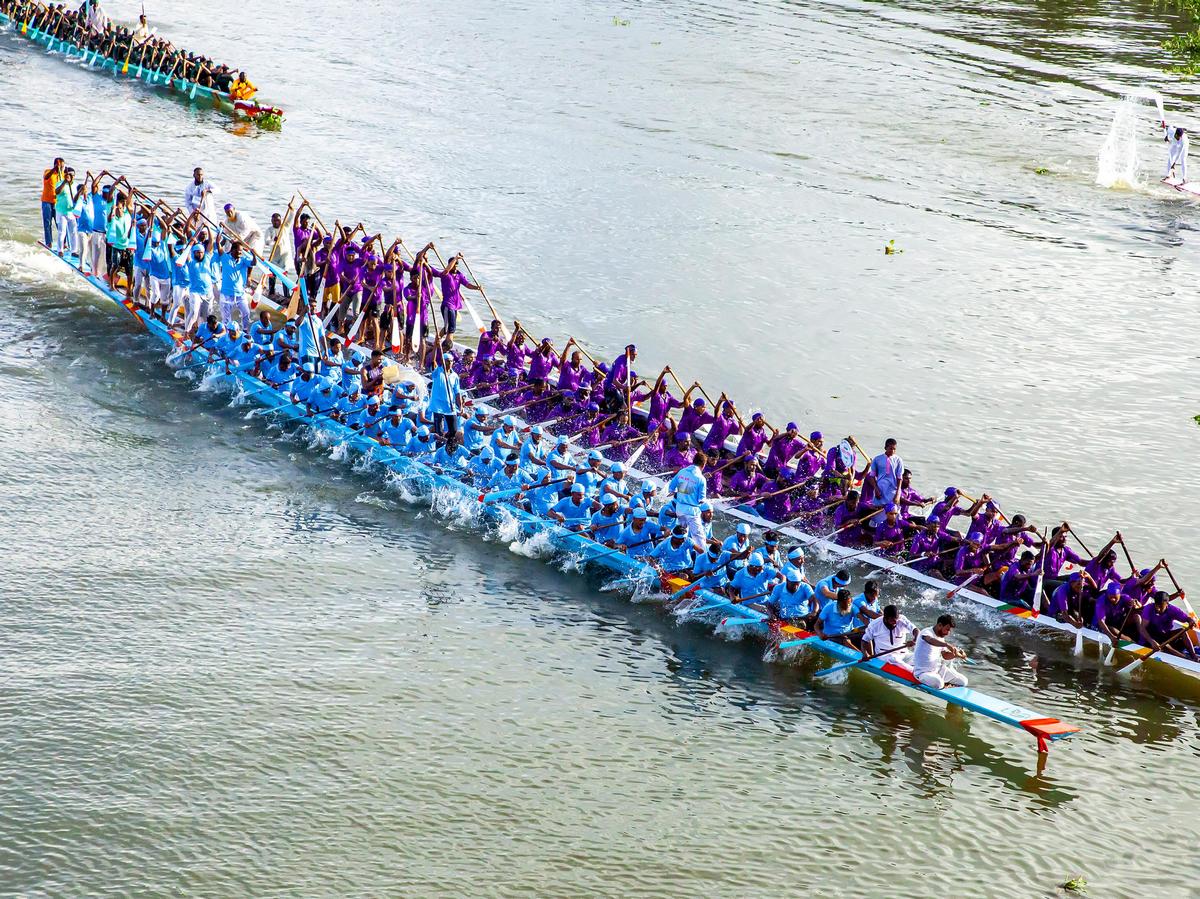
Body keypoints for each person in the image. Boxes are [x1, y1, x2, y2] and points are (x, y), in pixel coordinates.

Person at [911, 614, 968, 689]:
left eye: (949, 630)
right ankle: (942, 685)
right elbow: (930, 641)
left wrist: (956, 654)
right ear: (940, 625)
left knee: (963, 681)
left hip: (938, 670)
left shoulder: (941, 638)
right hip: (923, 673)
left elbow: (945, 655)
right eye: (947, 629)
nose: (948, 633)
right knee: (938, 683)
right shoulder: (926, 632)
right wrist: (946, 645)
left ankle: (945, 687)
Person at [668, 450, 708, 551]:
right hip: (691, 511)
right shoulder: (701, 479)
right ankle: (703, 558)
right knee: (699, 537)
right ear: (703, 465)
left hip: (679, 508)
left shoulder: (682, 471)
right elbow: (701, 500)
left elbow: (671, 487)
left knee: (680, 533)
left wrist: (680, 492)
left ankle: (677, 550)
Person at [217, 239, 257, 332]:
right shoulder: (225, 258)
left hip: (240, 293)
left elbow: (253, 263)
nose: (240, 254)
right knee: (226, 318)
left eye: (241, 252)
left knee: (246, 313)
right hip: (226, 293)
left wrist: (253, 254)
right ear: (233, 250)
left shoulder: (243, 260)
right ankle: (227, 333)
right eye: (238, 252)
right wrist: (220, 233)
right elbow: (218, 246)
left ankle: (245, 330)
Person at [264, 206, 296, 296]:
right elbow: (267, 242)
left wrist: (291, 209)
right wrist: (273, 240)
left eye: (278, 220)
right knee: (272, 275)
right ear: (272, 221)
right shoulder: (269, 230)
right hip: (274, 256)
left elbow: (290, 218)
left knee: (284, 276)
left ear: (280, 220)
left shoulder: (285, 227)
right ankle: (271, 293)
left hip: (285, 256)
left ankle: (287, 295)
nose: (276, 222)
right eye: (274, 221)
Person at [41, 157, 65, 247]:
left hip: (58, 202)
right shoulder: (48, 172)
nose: (61, 168)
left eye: (63, 166)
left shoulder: (62, 175)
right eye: (60, 166)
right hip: (46, 201)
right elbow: (46, 177)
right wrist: (54, 169)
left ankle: (63, 242)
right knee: (47, 222)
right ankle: (49, 242)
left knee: (60, 223)